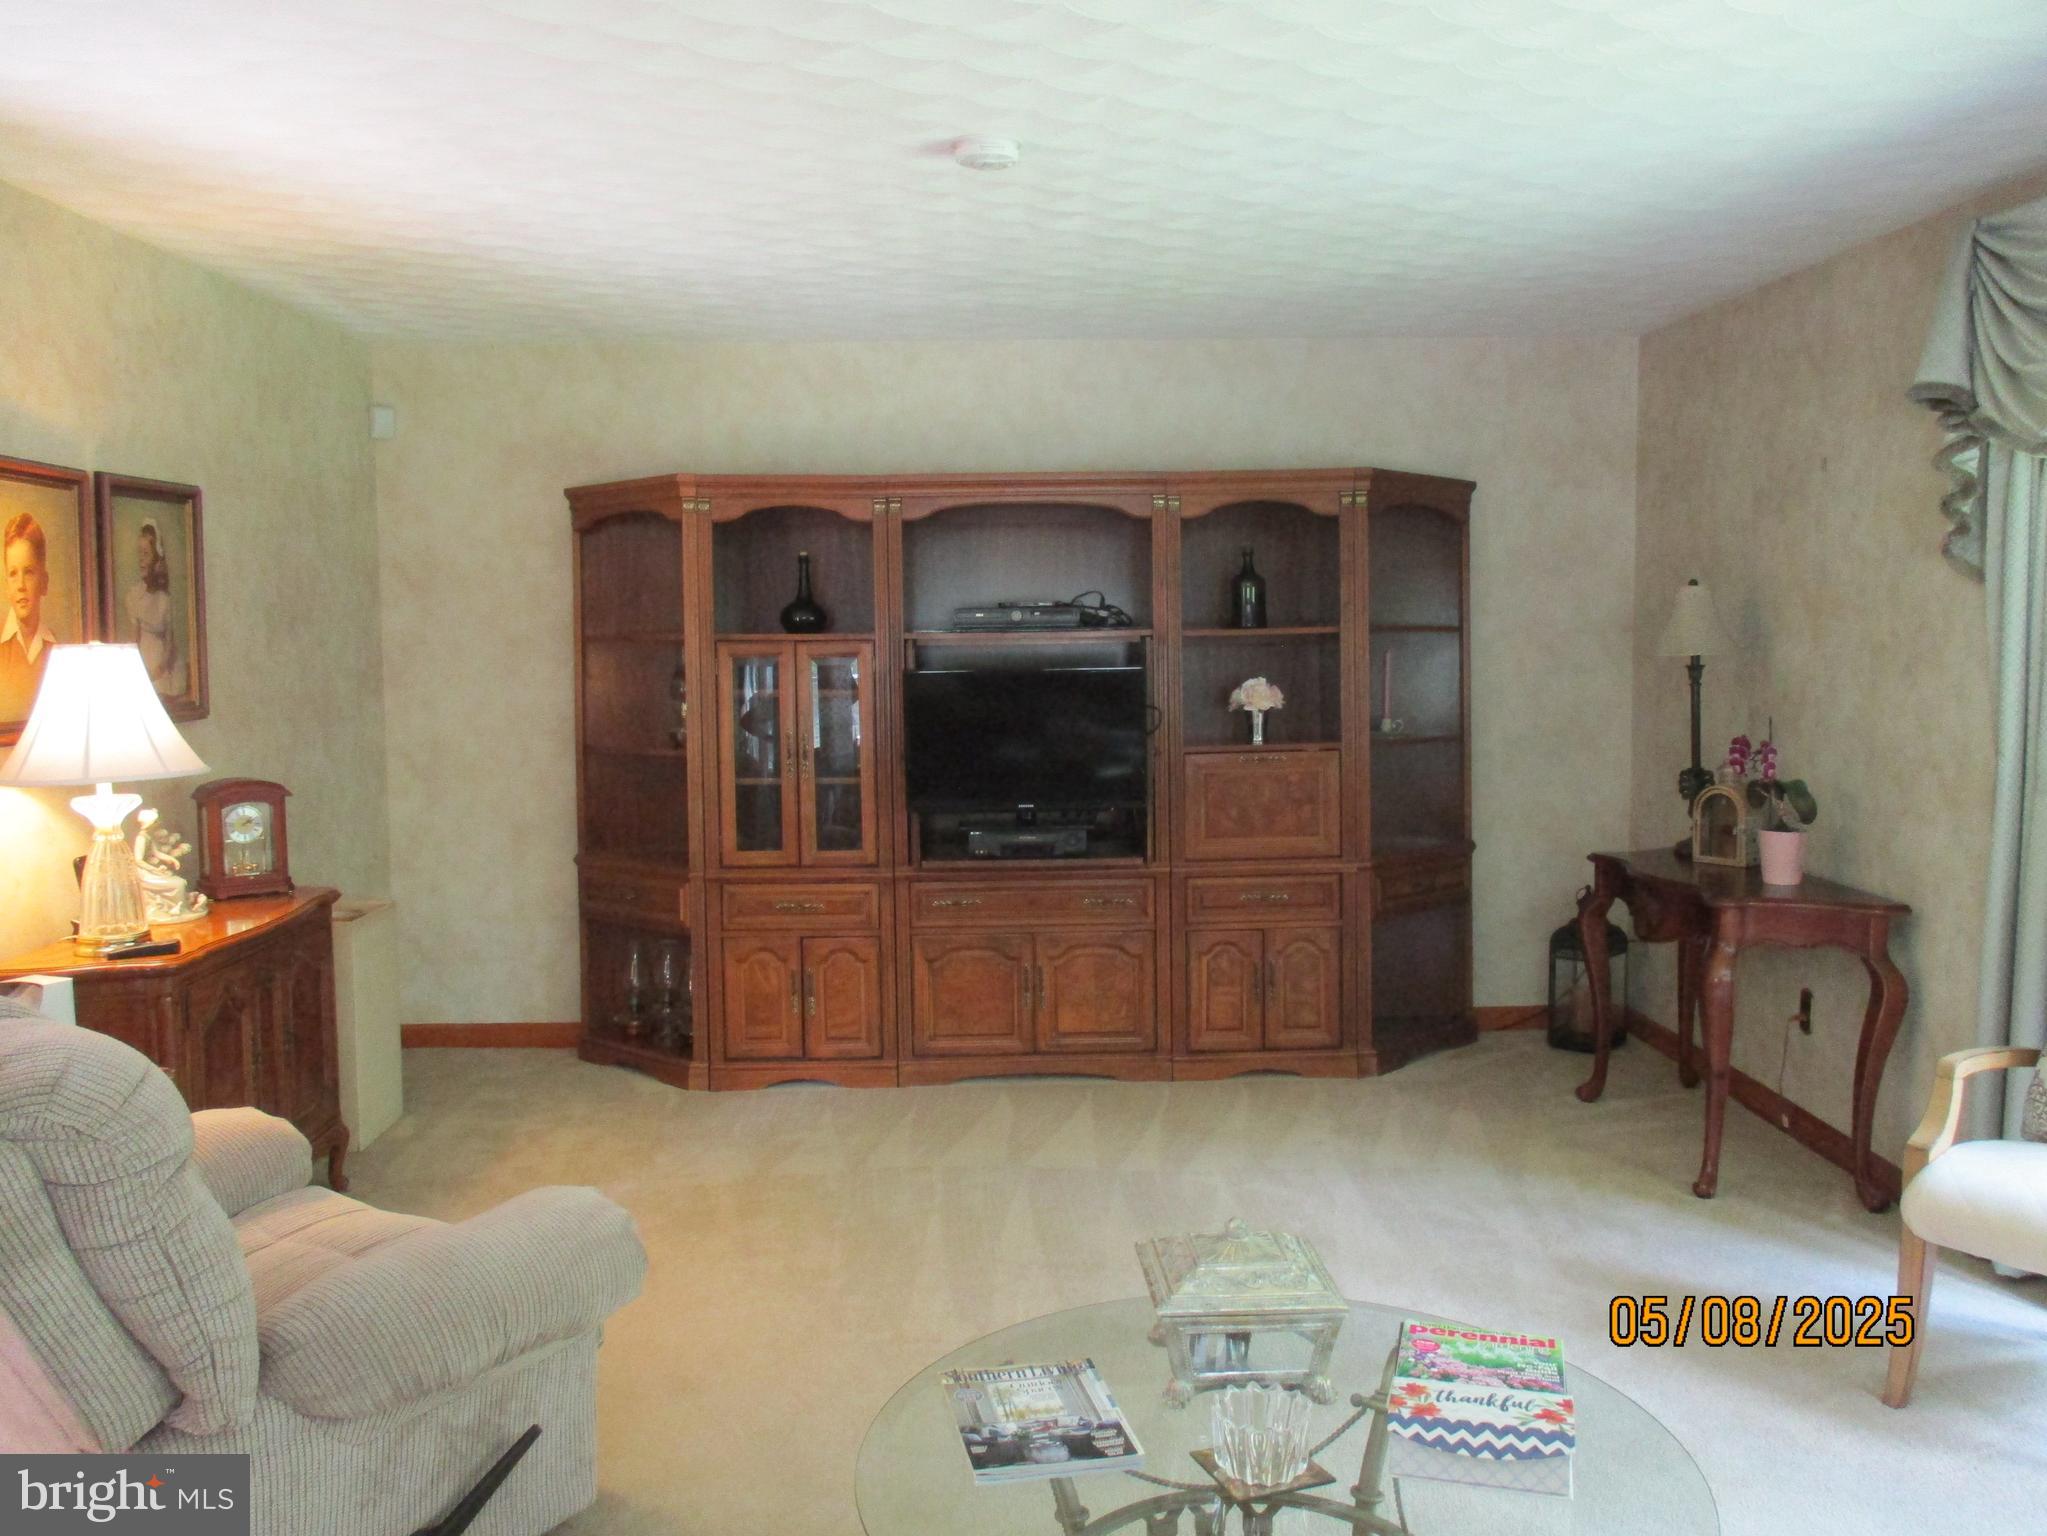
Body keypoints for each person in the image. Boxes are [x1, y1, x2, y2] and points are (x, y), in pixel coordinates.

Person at [1, 510, 55, 720]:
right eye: (13, 574)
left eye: (29, 572)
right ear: (6, 586)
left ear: (44, 582)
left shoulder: (57, 650)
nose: (21, 585)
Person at [126, 518, 183, 694]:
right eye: (139, 554)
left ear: (156, 560)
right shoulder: (134, 596)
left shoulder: (164, 600)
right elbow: (134, 640)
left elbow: (169, 642)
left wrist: (160, 668)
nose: (141, 560)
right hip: (143, 661)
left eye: (146, 554)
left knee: (162, 689)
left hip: (161, 665)